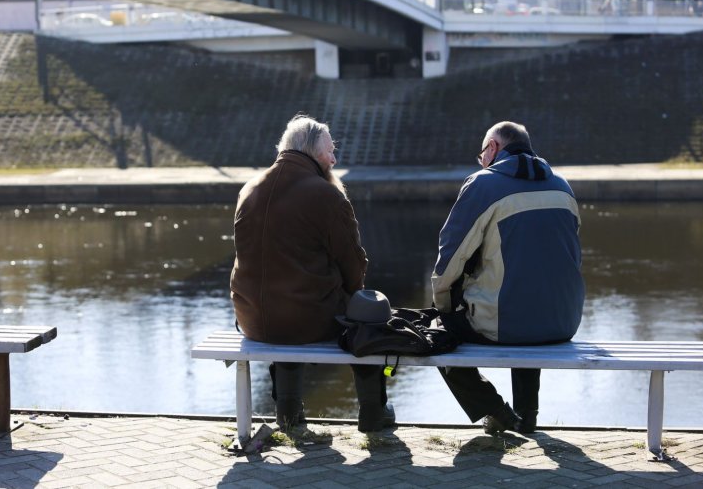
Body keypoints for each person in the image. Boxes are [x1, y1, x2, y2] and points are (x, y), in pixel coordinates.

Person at [230, 114, 395, 433]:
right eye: (331, 151)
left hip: (251, 317)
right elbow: (354, 264)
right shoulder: (325, 195)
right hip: (304, 319)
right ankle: (373, 411)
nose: (334, 158)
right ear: (314, 153)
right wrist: (353, 297)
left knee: (286, 303)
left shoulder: (249, 189)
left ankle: (289, 411)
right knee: (368, 312)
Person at [431, 121, 585, 435]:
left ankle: (496, 411)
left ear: (494, 148)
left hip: (509, 322)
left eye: (481, 154)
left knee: (435, 333)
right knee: (529, 298)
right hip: (565, 320)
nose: (481, 161)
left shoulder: (483, 185)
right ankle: (527, 416)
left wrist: (444, 307)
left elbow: (450, 257)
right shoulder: (562, 185)